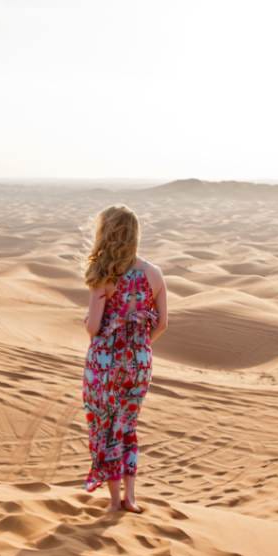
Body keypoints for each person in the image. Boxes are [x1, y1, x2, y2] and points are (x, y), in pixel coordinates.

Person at [81, 204, 168, 513]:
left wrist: (104, 337)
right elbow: (162, 324)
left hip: (105, 362)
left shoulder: (103, 274)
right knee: (127, 425)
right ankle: (131, 497)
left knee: (104, 425)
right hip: (140, 362)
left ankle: (114, 499)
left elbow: (93, 327)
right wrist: (139, 345)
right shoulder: (154, 274)